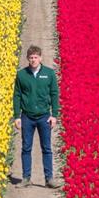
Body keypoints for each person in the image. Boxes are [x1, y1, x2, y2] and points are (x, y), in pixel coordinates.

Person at [12, 45, 61, 189]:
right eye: (31, 57)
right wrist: (17, 116)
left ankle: (49, 178)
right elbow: (17, 95)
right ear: (27, 59)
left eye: (36, 57)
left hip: (44, 116)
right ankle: (26, 178)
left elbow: (54, 94)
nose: (33, 60)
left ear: (40, 58)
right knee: (26, 148)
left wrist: (54, 115)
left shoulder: (49, 73)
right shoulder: (22, 75)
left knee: (46, 148)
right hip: (27, 116)